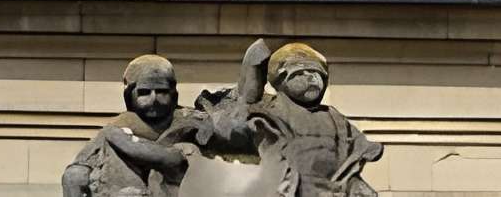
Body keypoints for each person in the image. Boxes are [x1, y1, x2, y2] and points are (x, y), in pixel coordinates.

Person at [220, 40, 382, 197]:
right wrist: (253, 74)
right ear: (281, 81)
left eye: (316, 73)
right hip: (288, 187)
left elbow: (355, 149)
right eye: (300, 73)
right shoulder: (267, 111)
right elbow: (235, 122)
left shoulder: (334, 117)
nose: (310, 77)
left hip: (334, 188)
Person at [60, 55, 193, 197]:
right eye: (144, 92)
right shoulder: (119, 126)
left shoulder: (189, 120)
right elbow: (82, 163)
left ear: (173, 94)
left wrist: (132, 146)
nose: (154, 99)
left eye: (162, 92)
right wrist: (76, 174)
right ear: (130, 95)